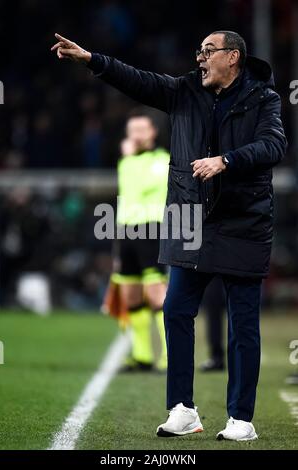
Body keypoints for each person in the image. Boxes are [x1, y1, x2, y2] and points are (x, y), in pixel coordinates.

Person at [51, 29, 287, 441]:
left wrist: (226, 161)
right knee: (176, 309)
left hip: (243, 221)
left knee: (243, 324)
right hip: (188, 217)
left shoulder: (264, 99)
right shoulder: (184, 91)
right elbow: (137, 79)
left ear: (233, 58)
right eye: (199, 51)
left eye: (208, 52)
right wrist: (92, 60)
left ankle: (241, 419)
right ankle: (182, 409)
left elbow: (274, 146)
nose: (200, 58)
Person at [108, 111, 169, 372]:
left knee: (157, 296)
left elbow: (143, 187)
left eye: (141, 130)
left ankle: (170, 355)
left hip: (151, 229)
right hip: (126, 231)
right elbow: (127, 194)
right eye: (131, 130)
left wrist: (130, 157)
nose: (135, 135)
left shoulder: (162, 161)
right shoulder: (126, 161)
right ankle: (142, 355)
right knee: (131, 295)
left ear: (153, 132)